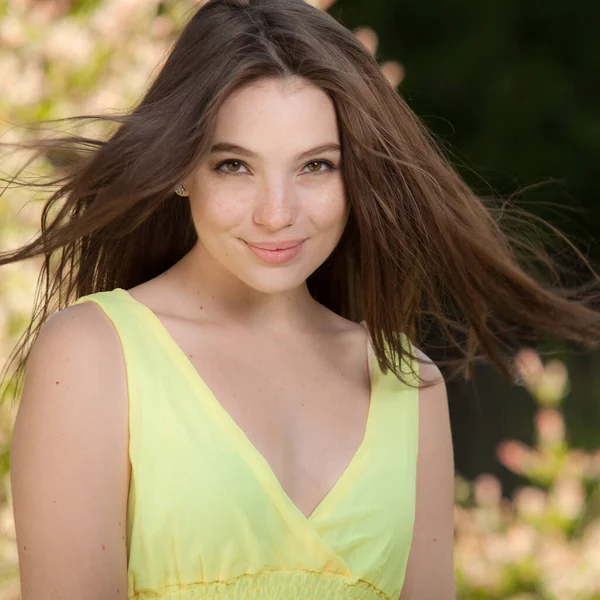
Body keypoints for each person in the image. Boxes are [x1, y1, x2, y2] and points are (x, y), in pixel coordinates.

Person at [2, 0, 599, 599]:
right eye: (235, 165)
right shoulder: (94, 355)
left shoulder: (407, 382)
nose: (277, 215)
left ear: (354, 175)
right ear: (183, 168)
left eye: (315, 166)